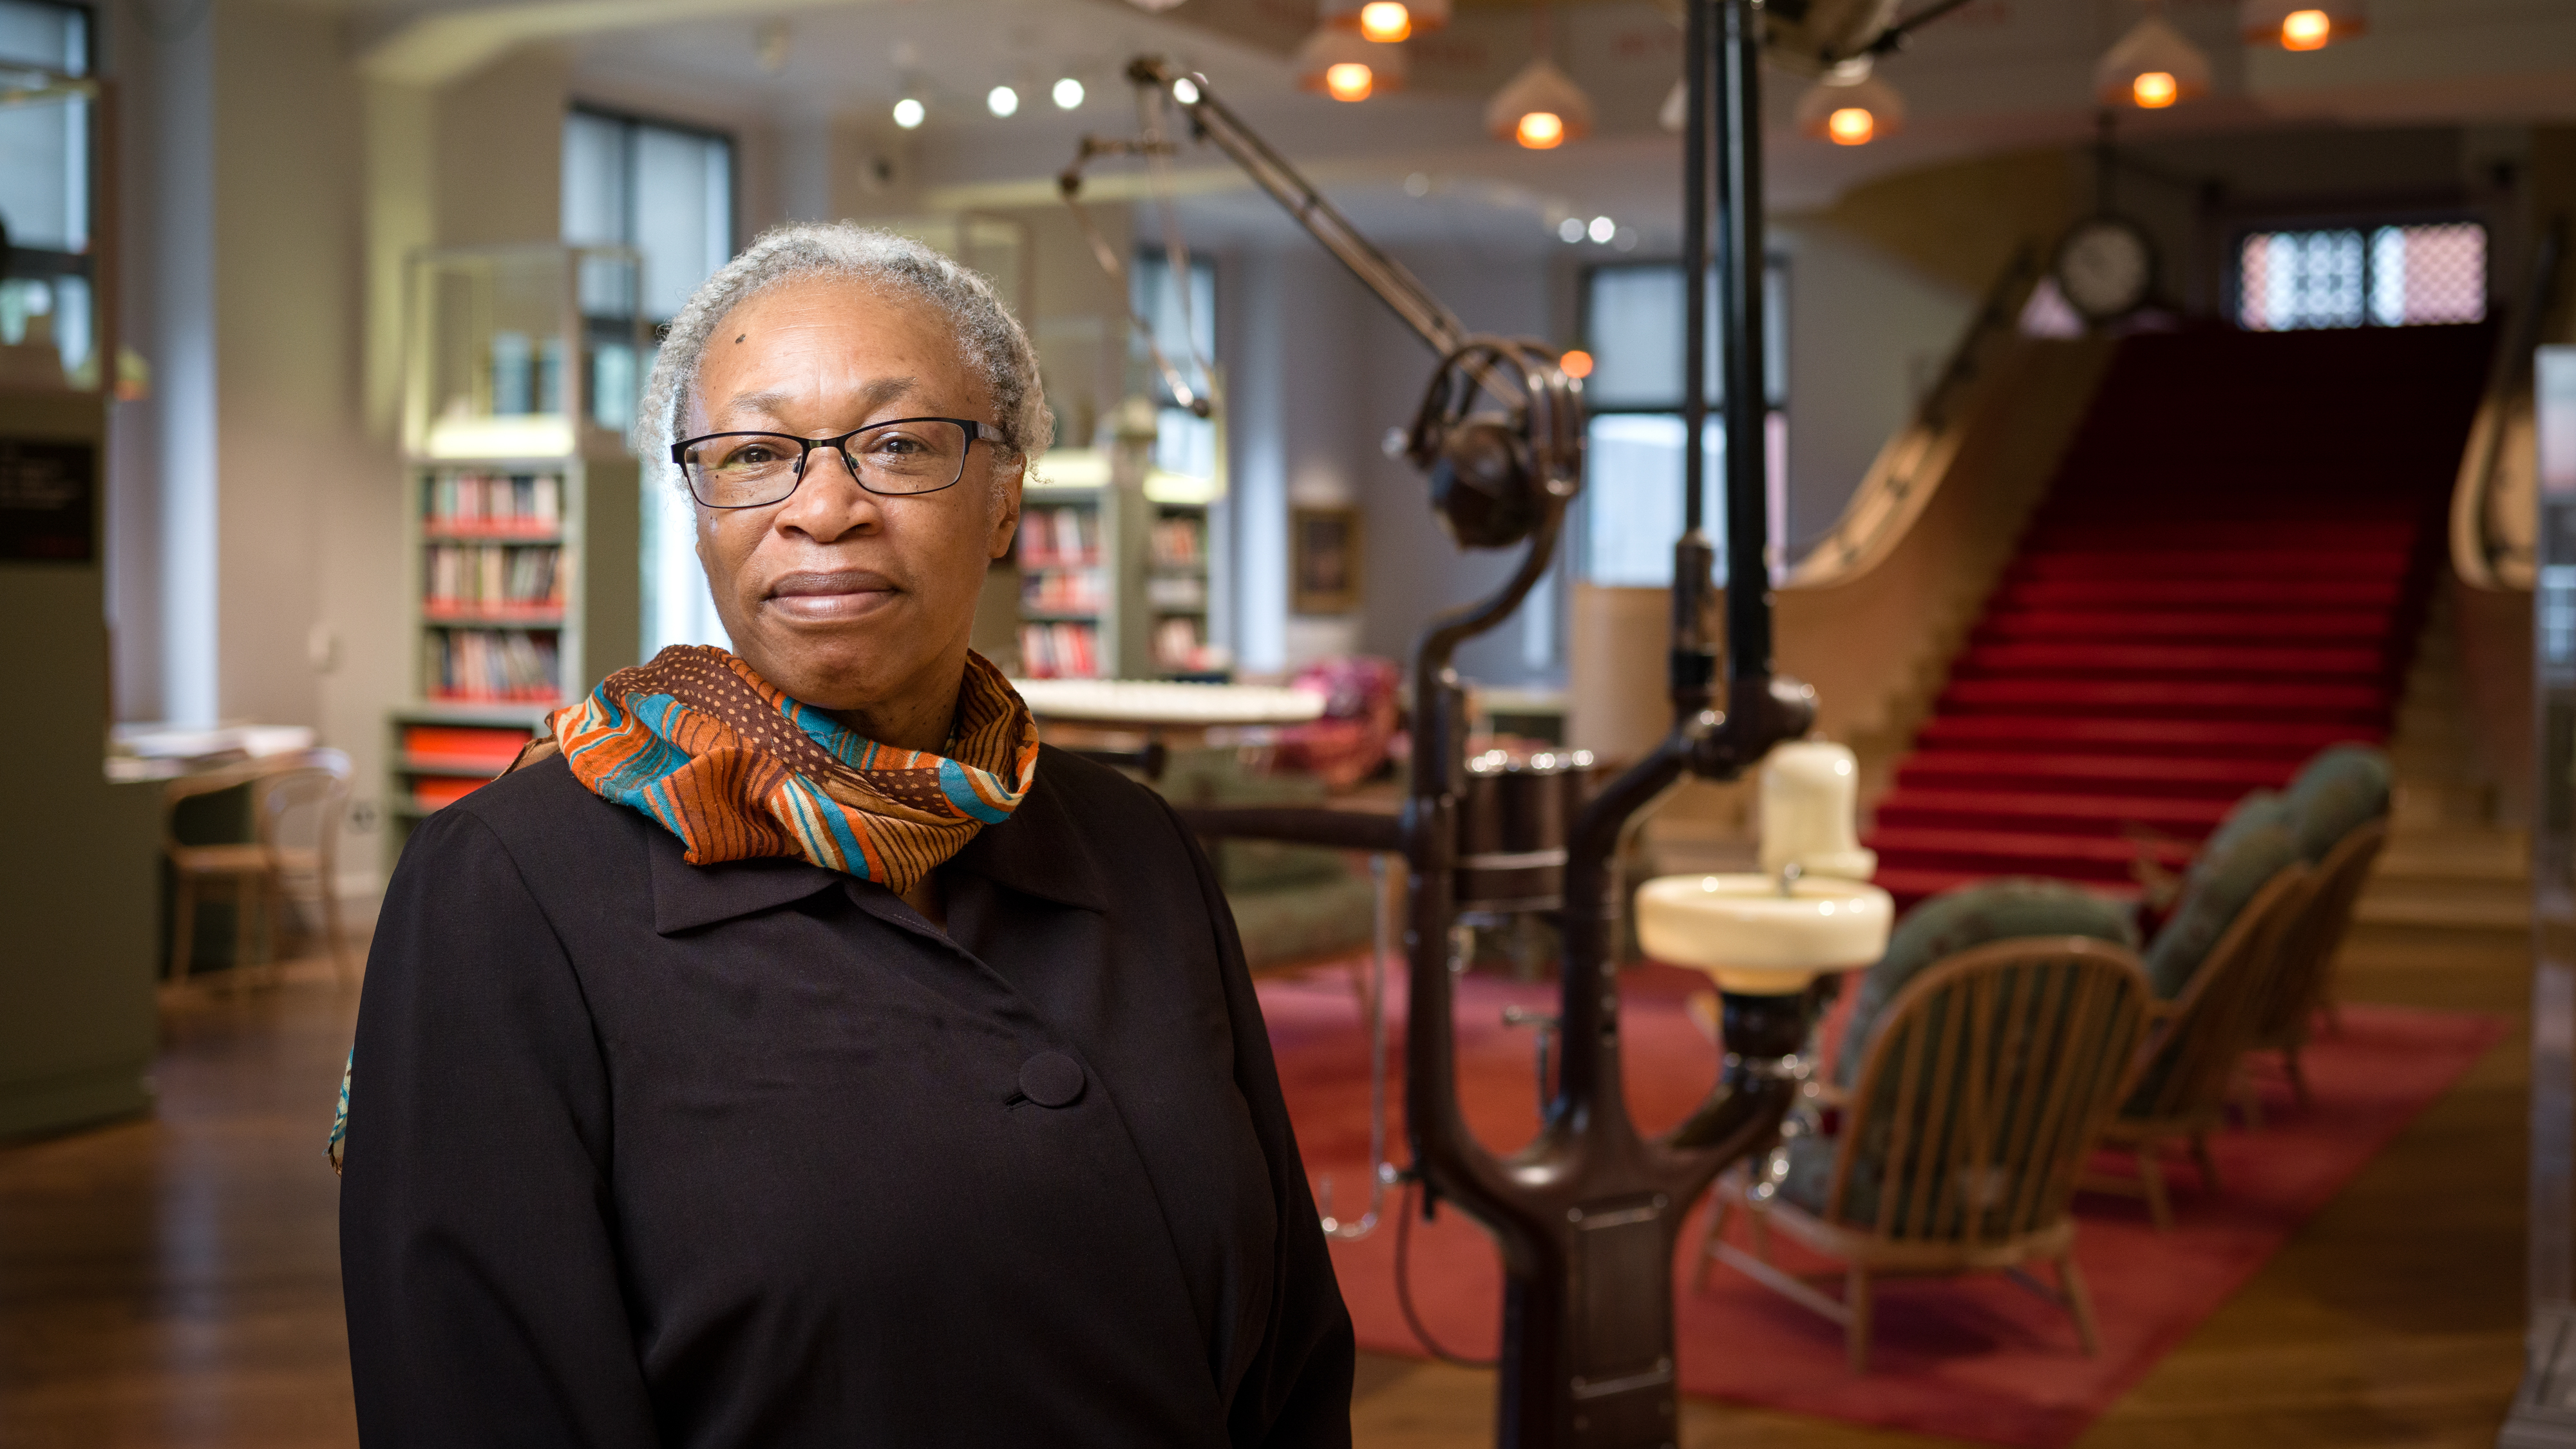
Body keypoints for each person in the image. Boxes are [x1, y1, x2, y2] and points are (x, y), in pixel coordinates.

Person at [337, 222, 1354, 1446]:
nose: (825, 508)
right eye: (756, 453)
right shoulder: (505, 886)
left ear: (1004, 496)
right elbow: (477, 1399)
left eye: (900, 445)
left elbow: (1294, 1349)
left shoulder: (1134, 844)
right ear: (700, 508)